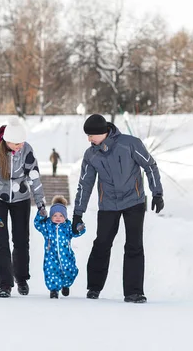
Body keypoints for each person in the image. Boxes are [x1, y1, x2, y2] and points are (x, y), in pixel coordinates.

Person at [73, 114, 164, 304]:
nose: (89, 139)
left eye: (91, 135)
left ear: (103, 132)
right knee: (102, 244)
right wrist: (77, 213)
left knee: (134, 245)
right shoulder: (91, 155)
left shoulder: (130, 144)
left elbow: (150, 166)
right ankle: (94, 287)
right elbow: (85, 184)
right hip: (108, 204)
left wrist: (157, 193)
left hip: (134, 201)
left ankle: (134, 292)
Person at [0, 118, 47, 298]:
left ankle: (22, 279)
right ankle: (5, 284)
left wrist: (40, 204)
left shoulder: (26, 150)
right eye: (16, 143)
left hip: (21, 198)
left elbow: (34, 177)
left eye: (22, 142)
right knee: (0, 240)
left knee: (21, 239)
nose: (20, 146)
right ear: (6, 141)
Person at [34, 195, 86, 299]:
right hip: (51, 256)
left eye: (61, 216)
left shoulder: (68, 227)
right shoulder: (47, 226)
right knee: (52, 272)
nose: (58, 218)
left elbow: (76, 233)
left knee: (70, 272)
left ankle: (66, 285)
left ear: (65, 217)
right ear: (51, 216)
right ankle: (54, 290)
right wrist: (41, 215)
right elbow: (37, 224)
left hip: (67, 257)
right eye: (55, 215)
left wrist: (80, 228)